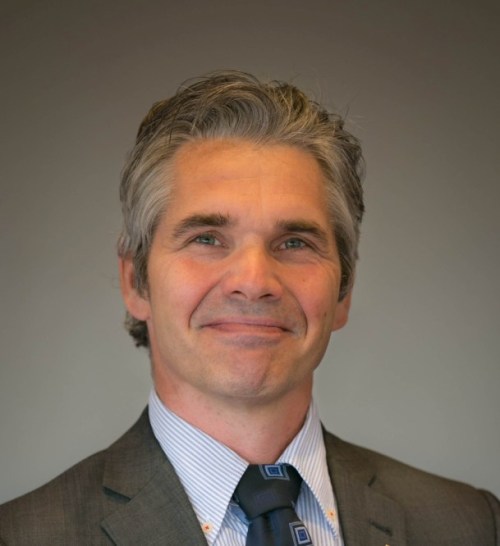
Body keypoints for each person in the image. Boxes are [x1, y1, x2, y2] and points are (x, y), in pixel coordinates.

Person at [0, 70, 498, 545]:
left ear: (343, 291)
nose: (254, 283)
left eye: (295, 242)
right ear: (136, 281)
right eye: (207, 238)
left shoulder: (471, 526)